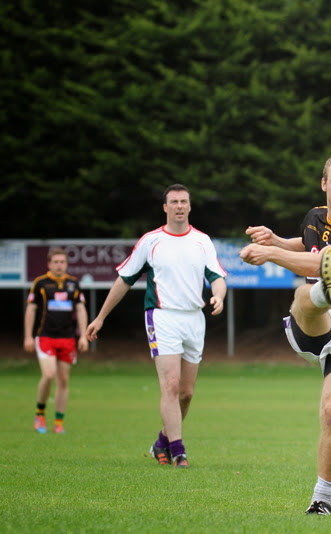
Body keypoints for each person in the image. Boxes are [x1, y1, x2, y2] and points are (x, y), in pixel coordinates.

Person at [239, 153, 331, 516]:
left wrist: (269, 253)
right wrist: (279, 241)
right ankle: (321, 293)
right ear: (324, 183)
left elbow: (324, 261)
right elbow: (308, 246)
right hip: (316, 320)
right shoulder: (315, 217)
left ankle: (322, 501)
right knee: (305, 296)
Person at [85, 184, 227, 468]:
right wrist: (100, 317)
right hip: (162, 317)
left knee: (186, 393)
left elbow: (217, 276)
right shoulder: (151, 241)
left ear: (189, 206)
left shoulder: (202, 241)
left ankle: (162, 441)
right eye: (173, 201)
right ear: (165, 207)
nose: (178, 206)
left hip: (194, 319)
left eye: (183, 201)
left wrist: (219, 296)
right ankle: (179, 450)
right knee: (171, 386)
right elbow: (124, 279)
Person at [24, 247, 89, 434]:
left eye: (62, 262)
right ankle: (40, 414)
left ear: (66, 264)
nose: (59, 265)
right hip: (45, 336)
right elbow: (31, 310)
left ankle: (59, 423)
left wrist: (83, 336)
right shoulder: (40, 283)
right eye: (56, 262)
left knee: (63, 380)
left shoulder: (73, 284)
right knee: (49, 375)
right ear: (49, 264)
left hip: (67, 338)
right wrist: (28, 336)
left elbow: (81, 309)